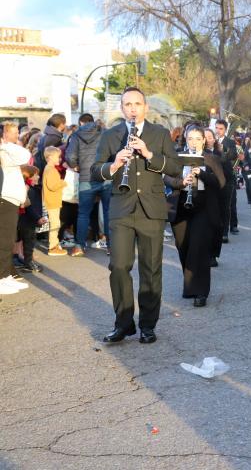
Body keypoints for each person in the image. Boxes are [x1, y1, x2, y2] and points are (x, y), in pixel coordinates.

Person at [91, 87, 182, 344]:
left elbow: (175, 167)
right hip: (121, 209)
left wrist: (150, 154)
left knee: (151, 269)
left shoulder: (160, 134)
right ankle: (123, 324)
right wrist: (115, 164)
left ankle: (148, 325)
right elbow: (95, 171)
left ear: (146, 107)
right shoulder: (111, 135)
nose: (133, 108)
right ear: (122, 108)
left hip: (151, 209)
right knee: (118, 266)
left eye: (137, 104)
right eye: (128, 104)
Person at [165, 126, 225, 307]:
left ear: (204, 140)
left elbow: (220, 182)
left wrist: (203, 174)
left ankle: (201, 292)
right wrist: (181, 182)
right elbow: (166, 177)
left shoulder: (211, 158)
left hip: (203, 209)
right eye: (190, 138)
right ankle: (190, 285)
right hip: (181, 205)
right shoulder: (177, 156)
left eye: (198, 138)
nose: (194, 142)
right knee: (183, 247)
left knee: (199, 249)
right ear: (185, 139)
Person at [66, 113, 111, 257]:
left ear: (81, 123)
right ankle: (112, 247)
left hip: (86, 177)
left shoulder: (76, 135)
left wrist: (76, 166)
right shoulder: (104, 133)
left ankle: (79, 246)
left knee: (83, 213)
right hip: (105, 176)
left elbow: (70, 156)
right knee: (109, 212)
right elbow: (113, 153)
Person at [0, 123, 32, 295]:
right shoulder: (6, 150)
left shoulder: (7, 149)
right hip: (5, 198)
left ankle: (5, 276)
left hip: (10, 198)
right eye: (12, 132)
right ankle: (2, 277)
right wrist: (6, 144)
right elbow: (25, 156)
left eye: (17, 132)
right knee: (5, 240)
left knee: (8, 239)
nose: (16, 135)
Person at [17, 165, 44, 273]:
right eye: (36, 175)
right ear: (29, 177)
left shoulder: (32, 188)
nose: (38, 177)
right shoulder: (29, 190)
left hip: (28, 220)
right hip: (27, 220)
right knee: (29, 242)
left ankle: (27, 261)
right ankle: (28, 263)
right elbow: (29, 207)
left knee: (28, 241)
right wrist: (38, 218)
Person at [214, 119, 239, 239]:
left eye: (221, 129)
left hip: (227, 177)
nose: (218, 131)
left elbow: (233, 155)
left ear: (225, 130)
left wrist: (223, 149)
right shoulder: (209, 139)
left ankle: (226, 231)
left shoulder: (230, 142)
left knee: (228, 204)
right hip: (213, 177)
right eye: (216, 128)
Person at [42, 146, 68, 256]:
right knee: (55, 224)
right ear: (51, 157)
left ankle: (54, 244)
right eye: (58, 157)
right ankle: (53, 247)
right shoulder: (51, 170)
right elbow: (53, 186)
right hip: (52, 202)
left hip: (52, 201)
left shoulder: (49, 168)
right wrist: (63, 182)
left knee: (55, 223)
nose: (60, 159)